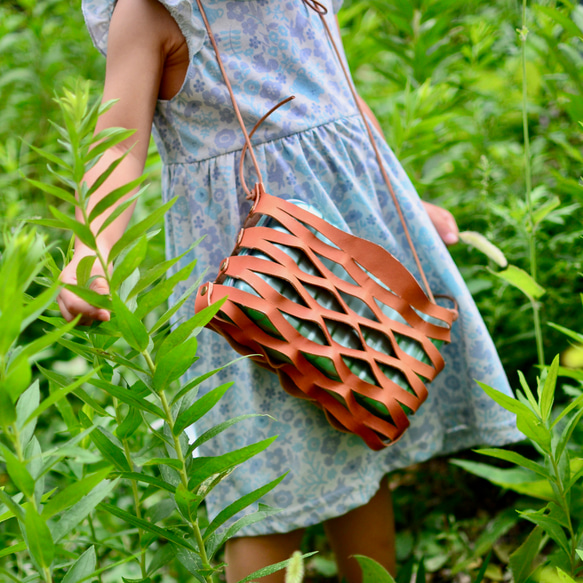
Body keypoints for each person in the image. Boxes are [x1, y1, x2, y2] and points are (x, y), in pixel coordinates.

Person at [58, 0, 523, 581]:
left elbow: (345, 102)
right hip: (253, 283)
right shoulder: (152, 13)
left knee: (361, 423)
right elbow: (118, 145)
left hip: (349, 254)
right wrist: (90, 250)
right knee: (261, 484)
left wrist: (402, 195)